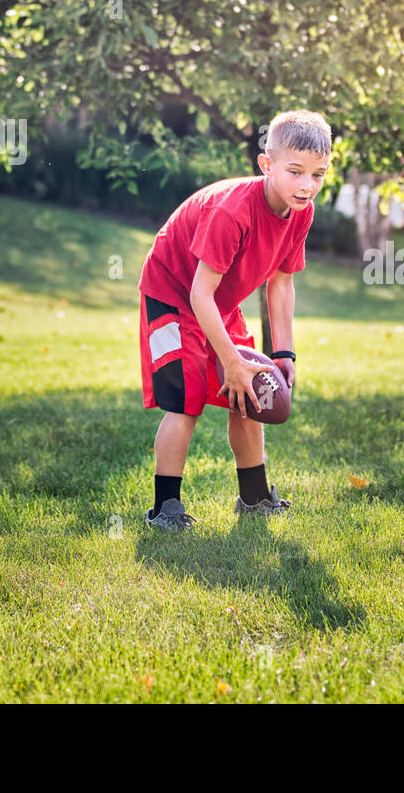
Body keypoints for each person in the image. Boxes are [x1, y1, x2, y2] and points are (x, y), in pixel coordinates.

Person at [136, 110, 330, 529]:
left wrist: (282, 354)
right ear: (267, 164)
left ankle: (254, 497)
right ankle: (165, 507)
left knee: (248, 393)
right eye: (295, 171)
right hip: (174, 292)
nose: (306, 185)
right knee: (185, 402)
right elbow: (197, 293)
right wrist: (233, 362)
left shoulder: (301, 212)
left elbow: (281, 284)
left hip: (216, 302)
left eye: (317, 175)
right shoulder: (233, 211)